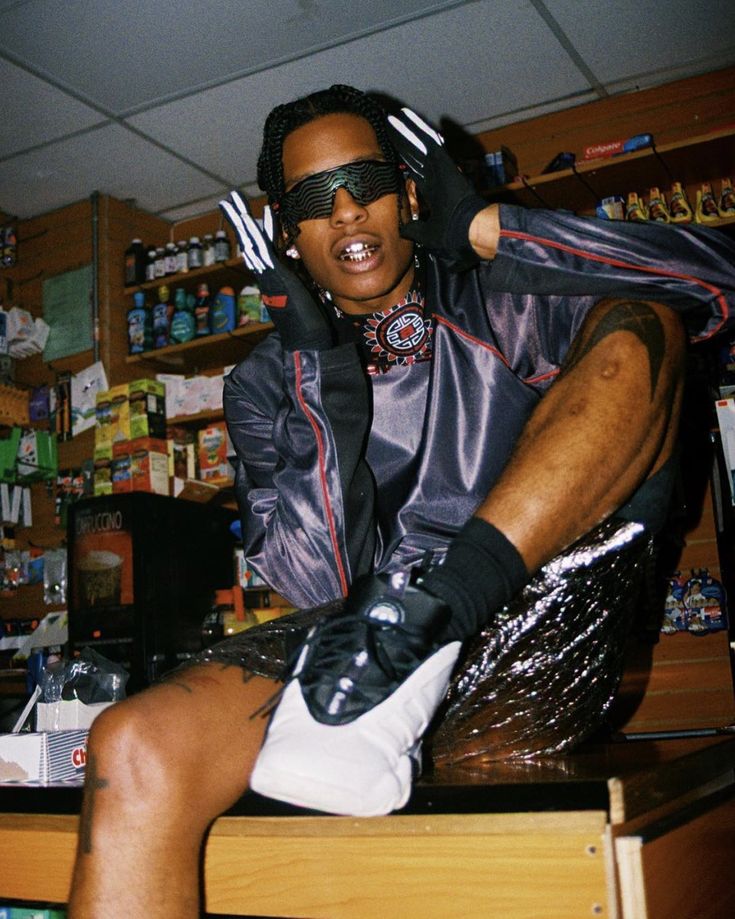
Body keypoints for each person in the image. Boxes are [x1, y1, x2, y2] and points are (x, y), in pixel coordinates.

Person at [67, 85, 735, 917]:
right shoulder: (267, 382)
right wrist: (319, 371)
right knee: (130, 745)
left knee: (646, 320)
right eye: (315, 199)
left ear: (411, 193)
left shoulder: (510, 294)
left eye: (367, 183)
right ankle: (399, 647)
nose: (346, 213)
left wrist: (492, 230)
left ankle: (435, 613)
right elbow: (319, 583)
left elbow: (718, 284)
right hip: (366, 647)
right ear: (287, 231)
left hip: (535, 600)